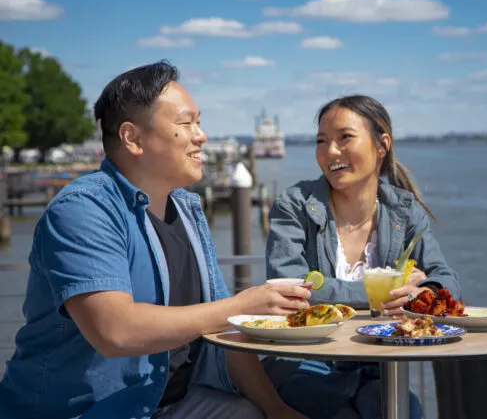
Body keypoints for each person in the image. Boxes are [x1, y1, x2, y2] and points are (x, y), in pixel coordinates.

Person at [0, 61, 310, 419]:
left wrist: (276, 410)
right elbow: (115, 331)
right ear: (132, 138)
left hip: (177, 402)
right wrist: (243, 306)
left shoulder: (188, 209)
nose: (201, 135)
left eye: (199, 121)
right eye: (186, 123)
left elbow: (227, 334)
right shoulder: (83, 211)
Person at [263, 94, 462, 419]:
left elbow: (447, 279)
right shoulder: (294, 206)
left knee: (407, 412)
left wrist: (423, 294)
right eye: (322, 141)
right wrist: (384, 293)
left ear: (381, 144)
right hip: (306, 361)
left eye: (345, 138)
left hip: (379, 364)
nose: (331, 152)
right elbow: (290, 288)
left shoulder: (406, 211)